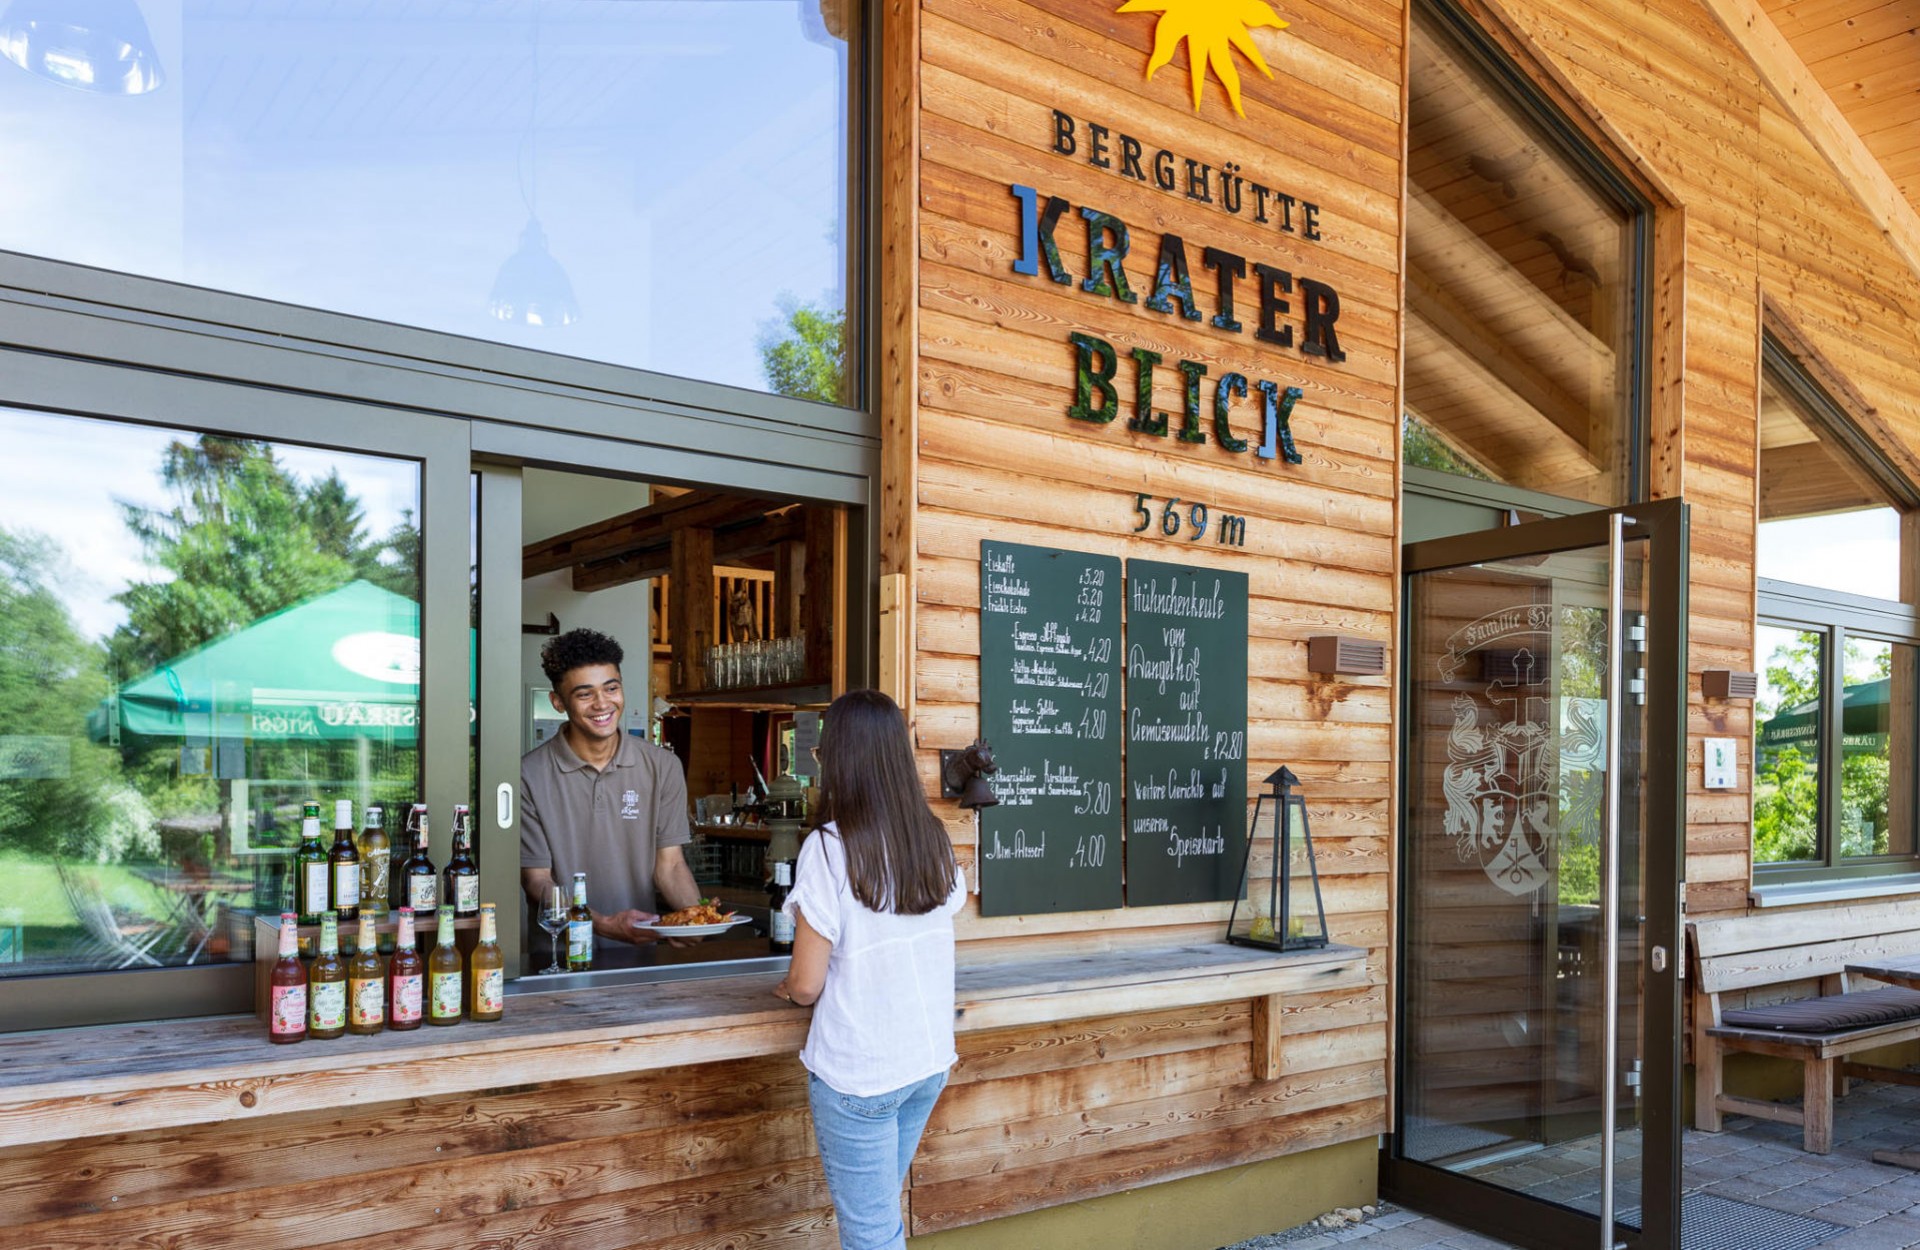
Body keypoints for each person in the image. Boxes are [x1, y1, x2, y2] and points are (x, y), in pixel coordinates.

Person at [773, 689, 966, 1250]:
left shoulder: (829, 847)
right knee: (881, 1220)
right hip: (926, 1062)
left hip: (861, 1073)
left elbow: (807, 984)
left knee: (872, 1233)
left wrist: (786, 988)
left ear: (837, 757)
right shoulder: (929, 837)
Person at [520, 628, 702, 945]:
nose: (602, 704)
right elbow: (537, 881)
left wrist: (696, 921)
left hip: (641, 961)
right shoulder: (527, 775)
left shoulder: (663, 766)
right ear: (558, 702)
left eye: (611, 688)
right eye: (584, 694)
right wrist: (602, 924)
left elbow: (670, 866)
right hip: (556, 960)